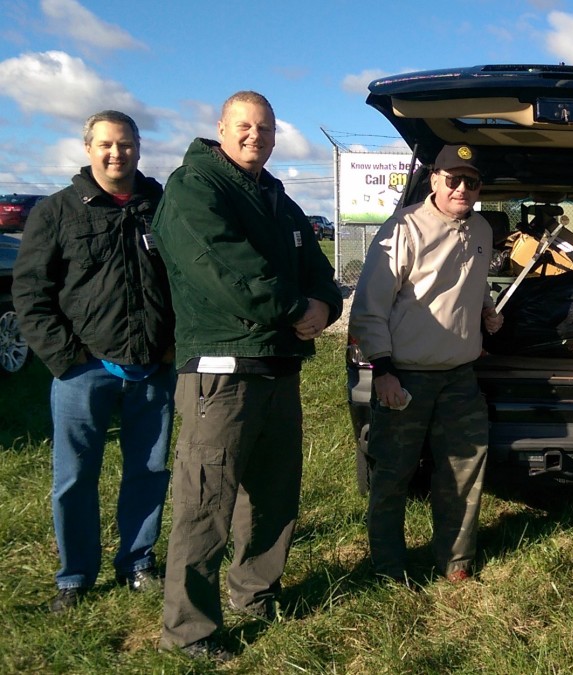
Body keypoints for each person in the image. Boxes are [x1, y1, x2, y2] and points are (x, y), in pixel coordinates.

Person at [152, 91, 342, 661]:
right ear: (220, 128)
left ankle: (256, 593)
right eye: (243, 126)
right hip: (222, 369)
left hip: (278, 366)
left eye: (264, 128)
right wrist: (294, 309)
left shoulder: (276, 198)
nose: (254, 136)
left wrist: (325, 306)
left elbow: (318, 268)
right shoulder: (196, 188)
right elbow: (226, 266)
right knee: (206, 500)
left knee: (273, 493)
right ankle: (189, 629)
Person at [12, 110, 175, 613]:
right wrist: (68, 360)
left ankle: (138, 562)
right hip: (84, 373)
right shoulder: (58, 212)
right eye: (105, 144)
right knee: (74, 478)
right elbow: (30, 292)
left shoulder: (162, 206)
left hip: (153, 368)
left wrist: (172, 344)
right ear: (88, 149)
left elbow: (186, 281)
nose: (116, 153)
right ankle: (76, 574)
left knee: (149, 470)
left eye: (125, 144)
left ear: (139, 148)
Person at [350, 144, 503, 585]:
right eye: (452, 179)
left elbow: (470, 282)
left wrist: (486, 310)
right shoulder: (405, 227)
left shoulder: (481, 229)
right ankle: (388, 566)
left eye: (470, 182)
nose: (461, 188)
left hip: (460, 376)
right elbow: (368, 306)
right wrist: (382, 370)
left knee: (464, 473)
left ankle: (456, 561)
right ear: (434, 179)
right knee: (393, 476)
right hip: (405, 375)